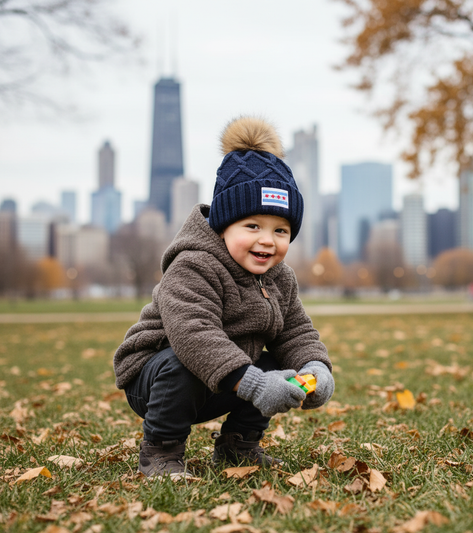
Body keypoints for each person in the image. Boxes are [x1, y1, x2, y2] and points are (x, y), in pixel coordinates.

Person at [113, 116, 334, 479]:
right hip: (156, 379)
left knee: (276, 365)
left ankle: (239, 445)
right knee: (181, 363)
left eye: (281, 230)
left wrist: (315, 368)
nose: (268, 240)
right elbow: (194, 335)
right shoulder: (194, 265)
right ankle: (162, 451)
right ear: (222, 225)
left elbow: (296, 332)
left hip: (226, 379)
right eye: (253, 226)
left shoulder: (281, 278)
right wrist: (254, 383)